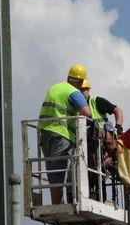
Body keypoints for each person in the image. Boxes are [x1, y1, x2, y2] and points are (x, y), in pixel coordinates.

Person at [38, 64, 92, 204]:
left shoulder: (54, 87)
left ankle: (57, 204)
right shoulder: (74, 92)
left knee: (52, 175)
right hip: (61, 135)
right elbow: (88, 113)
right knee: (58, 174)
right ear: (81, 82)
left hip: (44, 133)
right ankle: (60, 204)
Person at [80, 79, 123, 201]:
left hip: (102, 146)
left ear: (88, 90)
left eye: (84, 89)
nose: (82, 92)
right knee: (90, 174)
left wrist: (118, 126)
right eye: (80, 90)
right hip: (87, 148)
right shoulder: (75, 105)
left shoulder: (96, 101)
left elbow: (117, 110)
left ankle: (100, 198)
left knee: (99, 173)